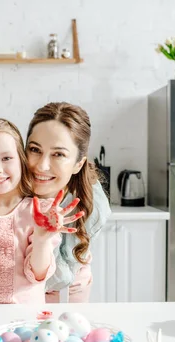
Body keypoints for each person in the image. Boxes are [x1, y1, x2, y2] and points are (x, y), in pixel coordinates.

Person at [0, 118, 84, 304]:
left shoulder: (40, 212)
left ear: (21, 160)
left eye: (6, 158)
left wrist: (42, 240)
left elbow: (37, 274)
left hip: (24, 318)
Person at [25, 102, 112, 303]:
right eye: (35, 149)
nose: (41, 165)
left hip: (68, 295)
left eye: (58, 154)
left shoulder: (91, 205)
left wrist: (45, 235)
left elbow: (59, 278)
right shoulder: (10, 192)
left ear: (78, 164)